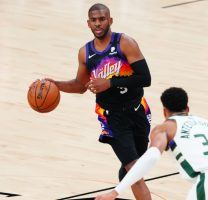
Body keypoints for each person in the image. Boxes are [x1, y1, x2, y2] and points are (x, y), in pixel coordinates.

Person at [46, 3, 152, 200]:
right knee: (136, 173)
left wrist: (109, 82)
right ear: (88, 24)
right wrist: (56, 84)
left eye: (102, 19)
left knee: (133, 168)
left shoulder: (125, 43)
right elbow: (80, 85)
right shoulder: (85, 53)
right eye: (94, 20)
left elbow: (145, 78)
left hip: (138, 111)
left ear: (110, 20)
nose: (98, 23)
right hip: (112, 119)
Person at [95, 87, 208, 200]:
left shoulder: (166, 127)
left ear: (164, 111)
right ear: (188, 108)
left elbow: (151, 158)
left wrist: (116, 191)